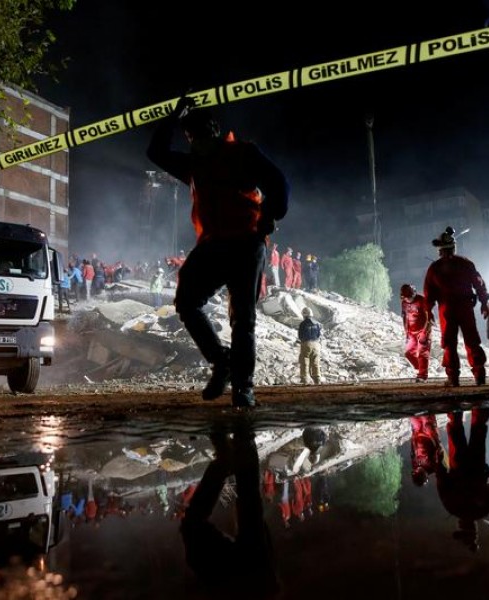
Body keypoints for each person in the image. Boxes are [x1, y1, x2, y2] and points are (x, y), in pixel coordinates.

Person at [147, 97, 289, 408]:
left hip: (246, 243)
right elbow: (155, 153)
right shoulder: (194, 164)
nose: (193, 141)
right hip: (213, 243)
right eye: (189, 137)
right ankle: (221, 362)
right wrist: (175, 115)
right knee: (186, 301)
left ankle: (243, 387)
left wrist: (269, 215)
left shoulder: (243, 153)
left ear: (214, 130)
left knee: (243, 318)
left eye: (196, 134)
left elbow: (279, 182)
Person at [180, 421, 279, 596]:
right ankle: (237, 445)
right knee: (247, 499)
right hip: (250, 578)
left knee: (248, 497)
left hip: (248, 577)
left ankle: (236, 446)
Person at [423, 226, 489, 387]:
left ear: (440, 250)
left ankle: (453, 378)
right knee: (472, 340)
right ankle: (479, 374)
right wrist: (484, 303)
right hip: (466, 307)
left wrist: (428, 310)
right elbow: (479, 283)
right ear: (454, 247)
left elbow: (428, 291)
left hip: (446, 309)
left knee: (449, 343)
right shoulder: (466, 263)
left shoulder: (435, 268)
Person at [436, 407, 489, 553]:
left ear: (475, 527)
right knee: (456, 429)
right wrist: (439, 462)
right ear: (462, 526)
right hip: (459, 465)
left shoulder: (484, 509)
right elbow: (442, 482)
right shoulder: (452, 507)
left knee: (478, 428)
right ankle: (455, 399)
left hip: (476, 465)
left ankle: (479, 400)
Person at [400, 283, 433, 382]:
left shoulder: (422, 301)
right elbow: (405, 317)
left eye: (409, 297)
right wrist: (406, 332)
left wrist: (425, 332)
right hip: (411, 333)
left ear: (413, 294)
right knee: (408, 353)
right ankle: (422, 368)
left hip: (423, 331)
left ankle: (422, 376)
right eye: (405, 297)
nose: (408, 299)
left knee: (422, 353)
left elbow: (429, 318)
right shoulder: (404, 303)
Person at [409, 414, 442, 486]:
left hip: (417, 433)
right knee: (425, 416)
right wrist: (433, 432)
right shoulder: (432, 466)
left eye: (415, 472)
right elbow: (439, 451)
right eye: (418, 472)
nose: (417, 469)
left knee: (413, 416)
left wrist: (413, 435)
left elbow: (413, 452)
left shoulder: (415, 465)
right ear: (424, 475)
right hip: (428, 433)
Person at [297, 306, 321, 384]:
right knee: (315, 362)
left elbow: (300, 336)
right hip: (316, 345)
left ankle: (304, 380)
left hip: (306, 344)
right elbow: (318, 335)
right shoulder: (317, 323)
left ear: (304, 315)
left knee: (304, 361)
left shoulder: (303, 324)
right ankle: (317, 380)